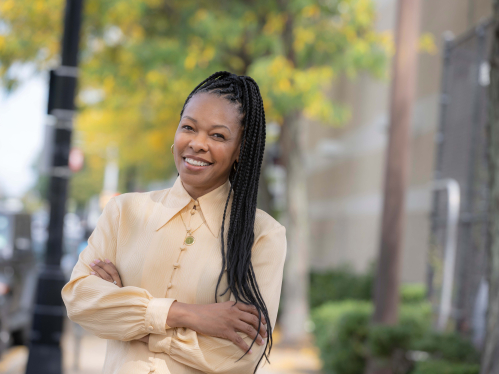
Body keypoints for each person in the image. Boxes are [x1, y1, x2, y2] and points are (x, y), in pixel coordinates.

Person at [61, 71, 287, 374]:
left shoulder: (263, 235)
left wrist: (127, 313)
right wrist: (188, 315)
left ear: (240, 151)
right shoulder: (123, 212)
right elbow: (79, 300)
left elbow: (243, 353)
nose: (197, 143)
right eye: (189, 128)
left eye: (218, 135)